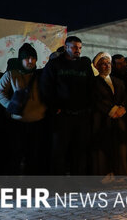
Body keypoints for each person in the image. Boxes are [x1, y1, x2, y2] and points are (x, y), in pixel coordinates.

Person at [39, 36, 94, 175]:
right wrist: (54, 108)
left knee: (80, 151)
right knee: (59, 152)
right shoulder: (54, 64)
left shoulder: (85, 65)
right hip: (61, 116)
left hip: (81, 116)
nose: (78, 50)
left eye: (80, 48)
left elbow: (91, 87)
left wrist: (88, 109)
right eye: (74, 47)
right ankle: (57, 185)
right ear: (66, 47)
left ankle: (77, 183)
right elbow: (46, 88)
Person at [0, 43, 47, 174]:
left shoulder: (41, 75)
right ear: (20, 59)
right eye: (27, 58)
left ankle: (31, 185)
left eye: (33, 58)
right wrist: (10, 105)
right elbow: (0, 92)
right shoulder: (11, 74)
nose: (30, 61)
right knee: (15, 155)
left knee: (34, 156)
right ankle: (13, 186)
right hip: (17, 122)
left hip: (38, 122)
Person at [91, 52, 127, 177]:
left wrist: (122, 108)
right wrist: (111, 110)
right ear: (97, 67)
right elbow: (96, 100)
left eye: (108, 63)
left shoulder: (118, 81)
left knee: (119, 148)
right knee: (103, 149)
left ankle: (120, 174)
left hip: (119, 121)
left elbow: (125, 97)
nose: (107, 66)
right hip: (102, 121)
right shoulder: (94, 82)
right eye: (103, 64)